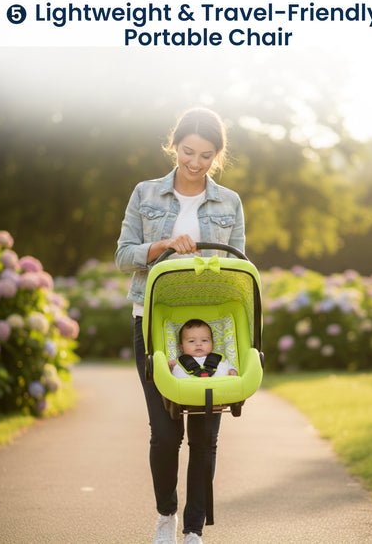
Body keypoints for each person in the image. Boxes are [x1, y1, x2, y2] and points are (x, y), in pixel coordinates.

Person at [115, 107, 245, 544]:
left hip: (212, 328)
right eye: (188, 151)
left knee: (205, 434)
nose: (195, 162)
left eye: (206, 155)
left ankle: (193, 531)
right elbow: (123, 255)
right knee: (165, 433)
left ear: (217, 156)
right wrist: (164, 245)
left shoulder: (229, 202)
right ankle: (166, 515)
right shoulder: (146, 193)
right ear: (174, 145)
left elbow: (239, 267)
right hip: (152, 323)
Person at [169, 319, 238, 379]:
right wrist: (170, 369)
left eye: (204, 340)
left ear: (212, 343)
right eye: (191, 341)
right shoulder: (178, 362)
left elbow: (232, 370)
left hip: (220, 389)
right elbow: (168, 379)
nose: (198, 344)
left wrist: (232, 371)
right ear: (181, 347)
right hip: (188, 390)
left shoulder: (220, 359)